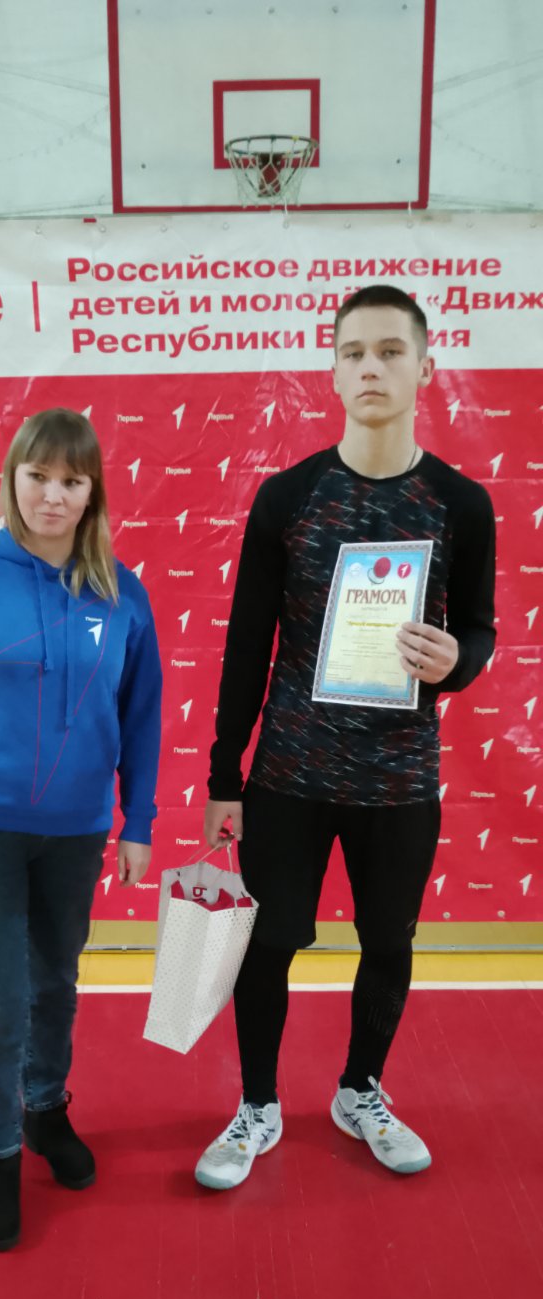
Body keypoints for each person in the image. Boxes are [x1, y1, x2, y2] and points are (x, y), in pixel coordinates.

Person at [195, 285, 496, 1190]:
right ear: (331, 371)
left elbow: (479, 630)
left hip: (400, 780)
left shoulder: (461, 503)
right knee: (268, 943)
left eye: (391, 351)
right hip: (289, 774)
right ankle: (256, 1104)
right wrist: (224, 774)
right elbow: (248, 644)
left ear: (425, 368)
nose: (372, 367)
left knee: (389, 943)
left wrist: (459, 662)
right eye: (354, 352)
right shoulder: (287, 497)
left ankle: (360, 1091)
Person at [0, 409, 162, 1249]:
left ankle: (45, 1110)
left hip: (76, 834)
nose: (53, 495)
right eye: (38, 476)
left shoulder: (122, 593)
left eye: (72, 481)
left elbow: (143, 715)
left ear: (93, 493)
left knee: (55, 985)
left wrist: (137, 821)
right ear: (12, 479)